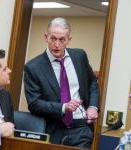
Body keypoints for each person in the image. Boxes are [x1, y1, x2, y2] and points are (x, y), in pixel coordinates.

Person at [24, 17, 99, 149]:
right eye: (53, 38)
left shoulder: (79, 56)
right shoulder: (33, 67)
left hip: (81, 128)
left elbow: (92, 83)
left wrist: (93, 107)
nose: (57, 44)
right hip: (53, 130)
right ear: (46, 37)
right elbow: (34, 104)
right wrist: (63, 107)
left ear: (69, 40)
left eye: (62, 39)